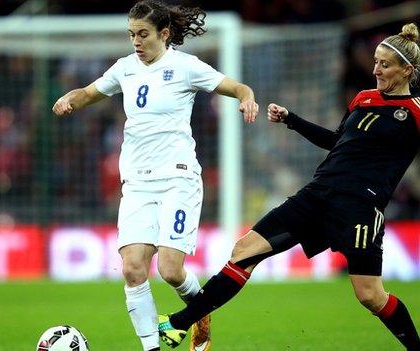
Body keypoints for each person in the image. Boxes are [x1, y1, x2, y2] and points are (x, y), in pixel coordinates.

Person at [158, 23, 420, 350]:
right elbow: (338, 142)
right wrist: (291, 120)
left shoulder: (414, 114)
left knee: (369, 295)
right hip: (318, 193)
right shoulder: (363, 99)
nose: (376, 69)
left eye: (385, 64)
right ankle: (178, 323)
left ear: (407, 70)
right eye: (376, 61)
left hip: (360, 207)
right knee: (243, 251)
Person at [52, 1, 258, 350]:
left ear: (163, 34)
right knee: (133, 268)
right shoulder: (124, 69)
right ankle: (151, 348)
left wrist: (247, 99)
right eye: (131, 34)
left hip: (178, 179)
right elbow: (88, 93)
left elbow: (238, 87)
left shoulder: (185, 67)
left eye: (143, 34)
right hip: (137, 183)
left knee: (171, 270)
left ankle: (200, 312)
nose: (136, 41)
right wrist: (68, 99)